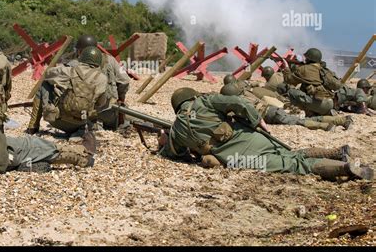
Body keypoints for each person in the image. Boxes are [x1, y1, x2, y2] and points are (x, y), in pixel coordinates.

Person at [157, 87, 372, 181]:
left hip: (238, 158)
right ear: (191, 96)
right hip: (253, 137)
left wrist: (164, 141)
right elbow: (237, 102)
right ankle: (336, 153)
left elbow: (173, 153)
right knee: (291, 155)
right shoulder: (204, 101)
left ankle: (344, 168)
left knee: (294, 166)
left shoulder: (177, 129)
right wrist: (255, 119)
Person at [27, 46, 109, 136]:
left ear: (82, 57)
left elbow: (47, 74)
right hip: (83, 123)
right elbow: (101, 103)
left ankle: (33, 126)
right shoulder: (102, 79)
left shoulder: (69, 71)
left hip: (58, 121)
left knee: (44, 84)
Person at [61, 34, 130, 129]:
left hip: (85, 113)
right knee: (131, 116)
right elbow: (125, 81)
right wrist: (120, 99)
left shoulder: (74, 64)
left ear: (81, 51)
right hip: (110, 111)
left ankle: (96, 124)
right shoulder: (110, 59)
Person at [220, 83, 352, 131]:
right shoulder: (246, 95)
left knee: (300, 122)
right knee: (300, 119)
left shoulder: (239, 103)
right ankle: (340, 120)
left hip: (272, 114)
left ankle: (327, 125)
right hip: (273, 110)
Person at [283, 48, 341, 116]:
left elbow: (288, 79)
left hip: (319, 104)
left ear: (309, 59)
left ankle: (306, 112)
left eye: (306, 58)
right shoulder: (324, 70)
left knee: (291, 92)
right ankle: (325, 112)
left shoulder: (304, 69)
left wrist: (286, 67)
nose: (305, 59)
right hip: (330, 103)